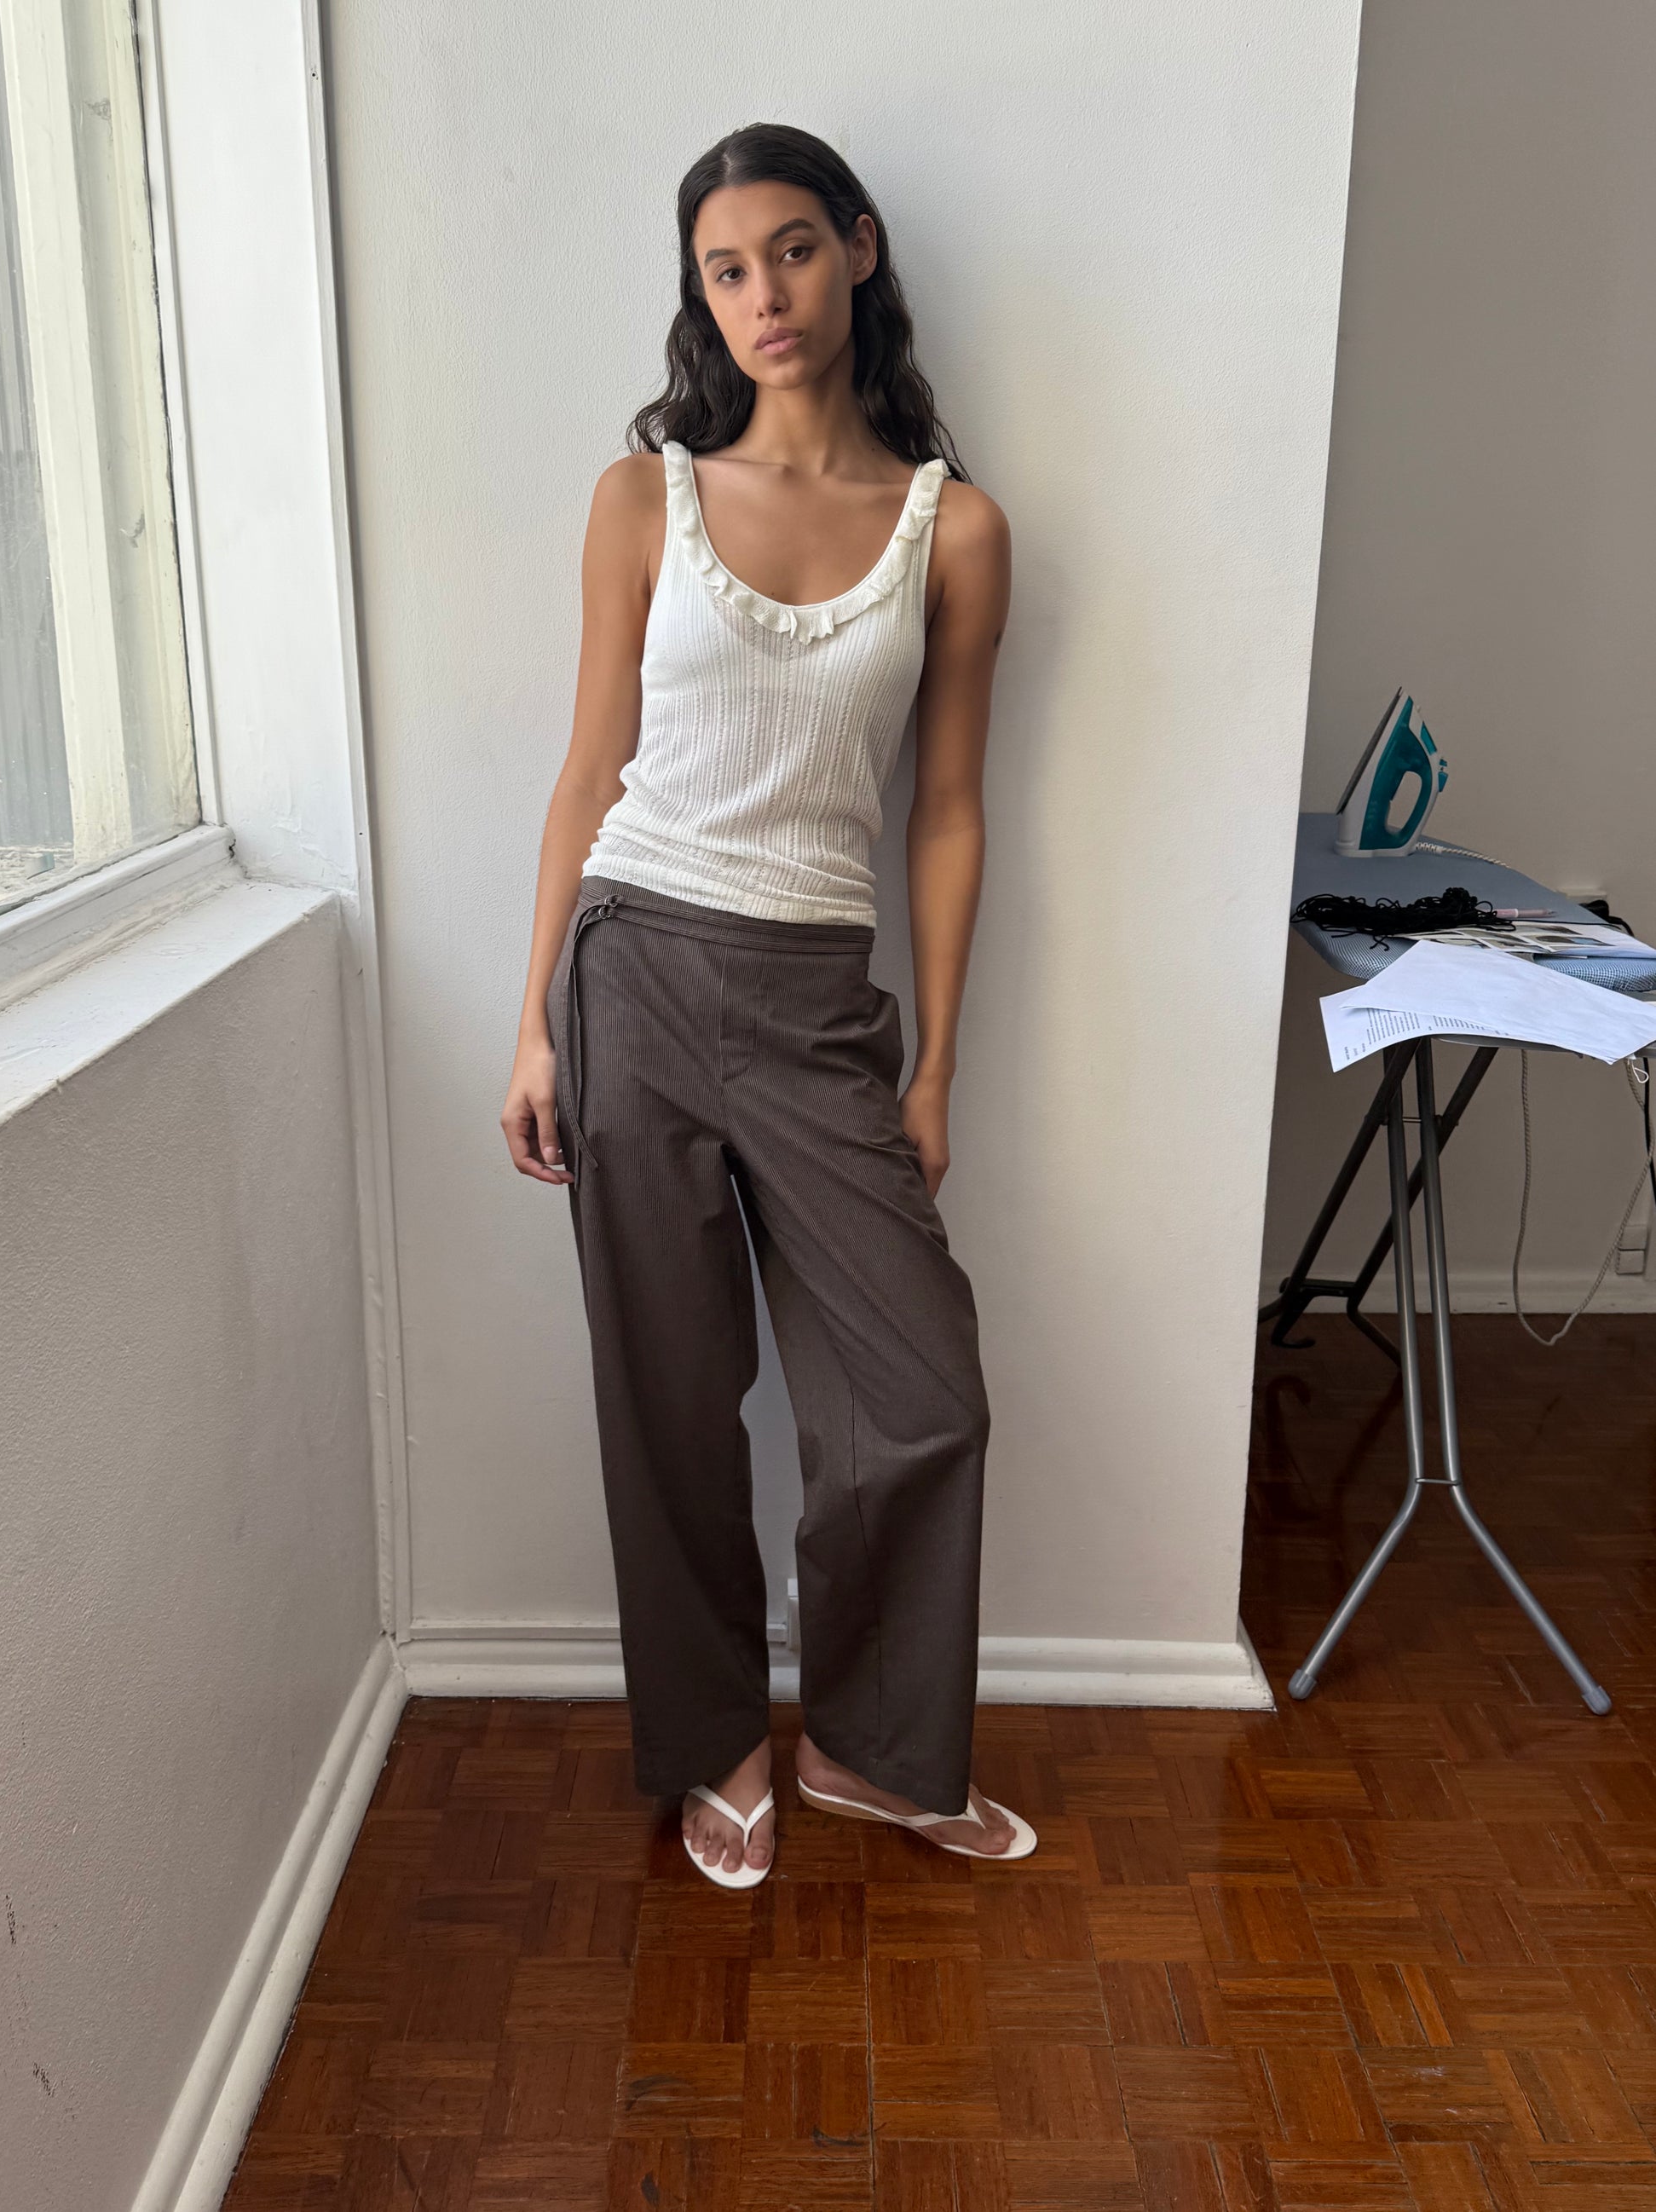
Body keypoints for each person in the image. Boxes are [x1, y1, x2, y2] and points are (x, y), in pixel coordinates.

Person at [502, 122, 1033, 1889]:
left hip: (818, 1001)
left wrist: (934, 1065)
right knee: (671, 1396)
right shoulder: (639, 497)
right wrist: (533, 1024)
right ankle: (716, 1742)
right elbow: (589, 772)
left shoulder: (955, 530)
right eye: (724, 270)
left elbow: (944, 812)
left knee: (922, 1391)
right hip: (636, 967)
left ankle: (874, 1752)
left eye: (791, 251)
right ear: (701, 295)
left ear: (857, 249)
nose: (762, 297)